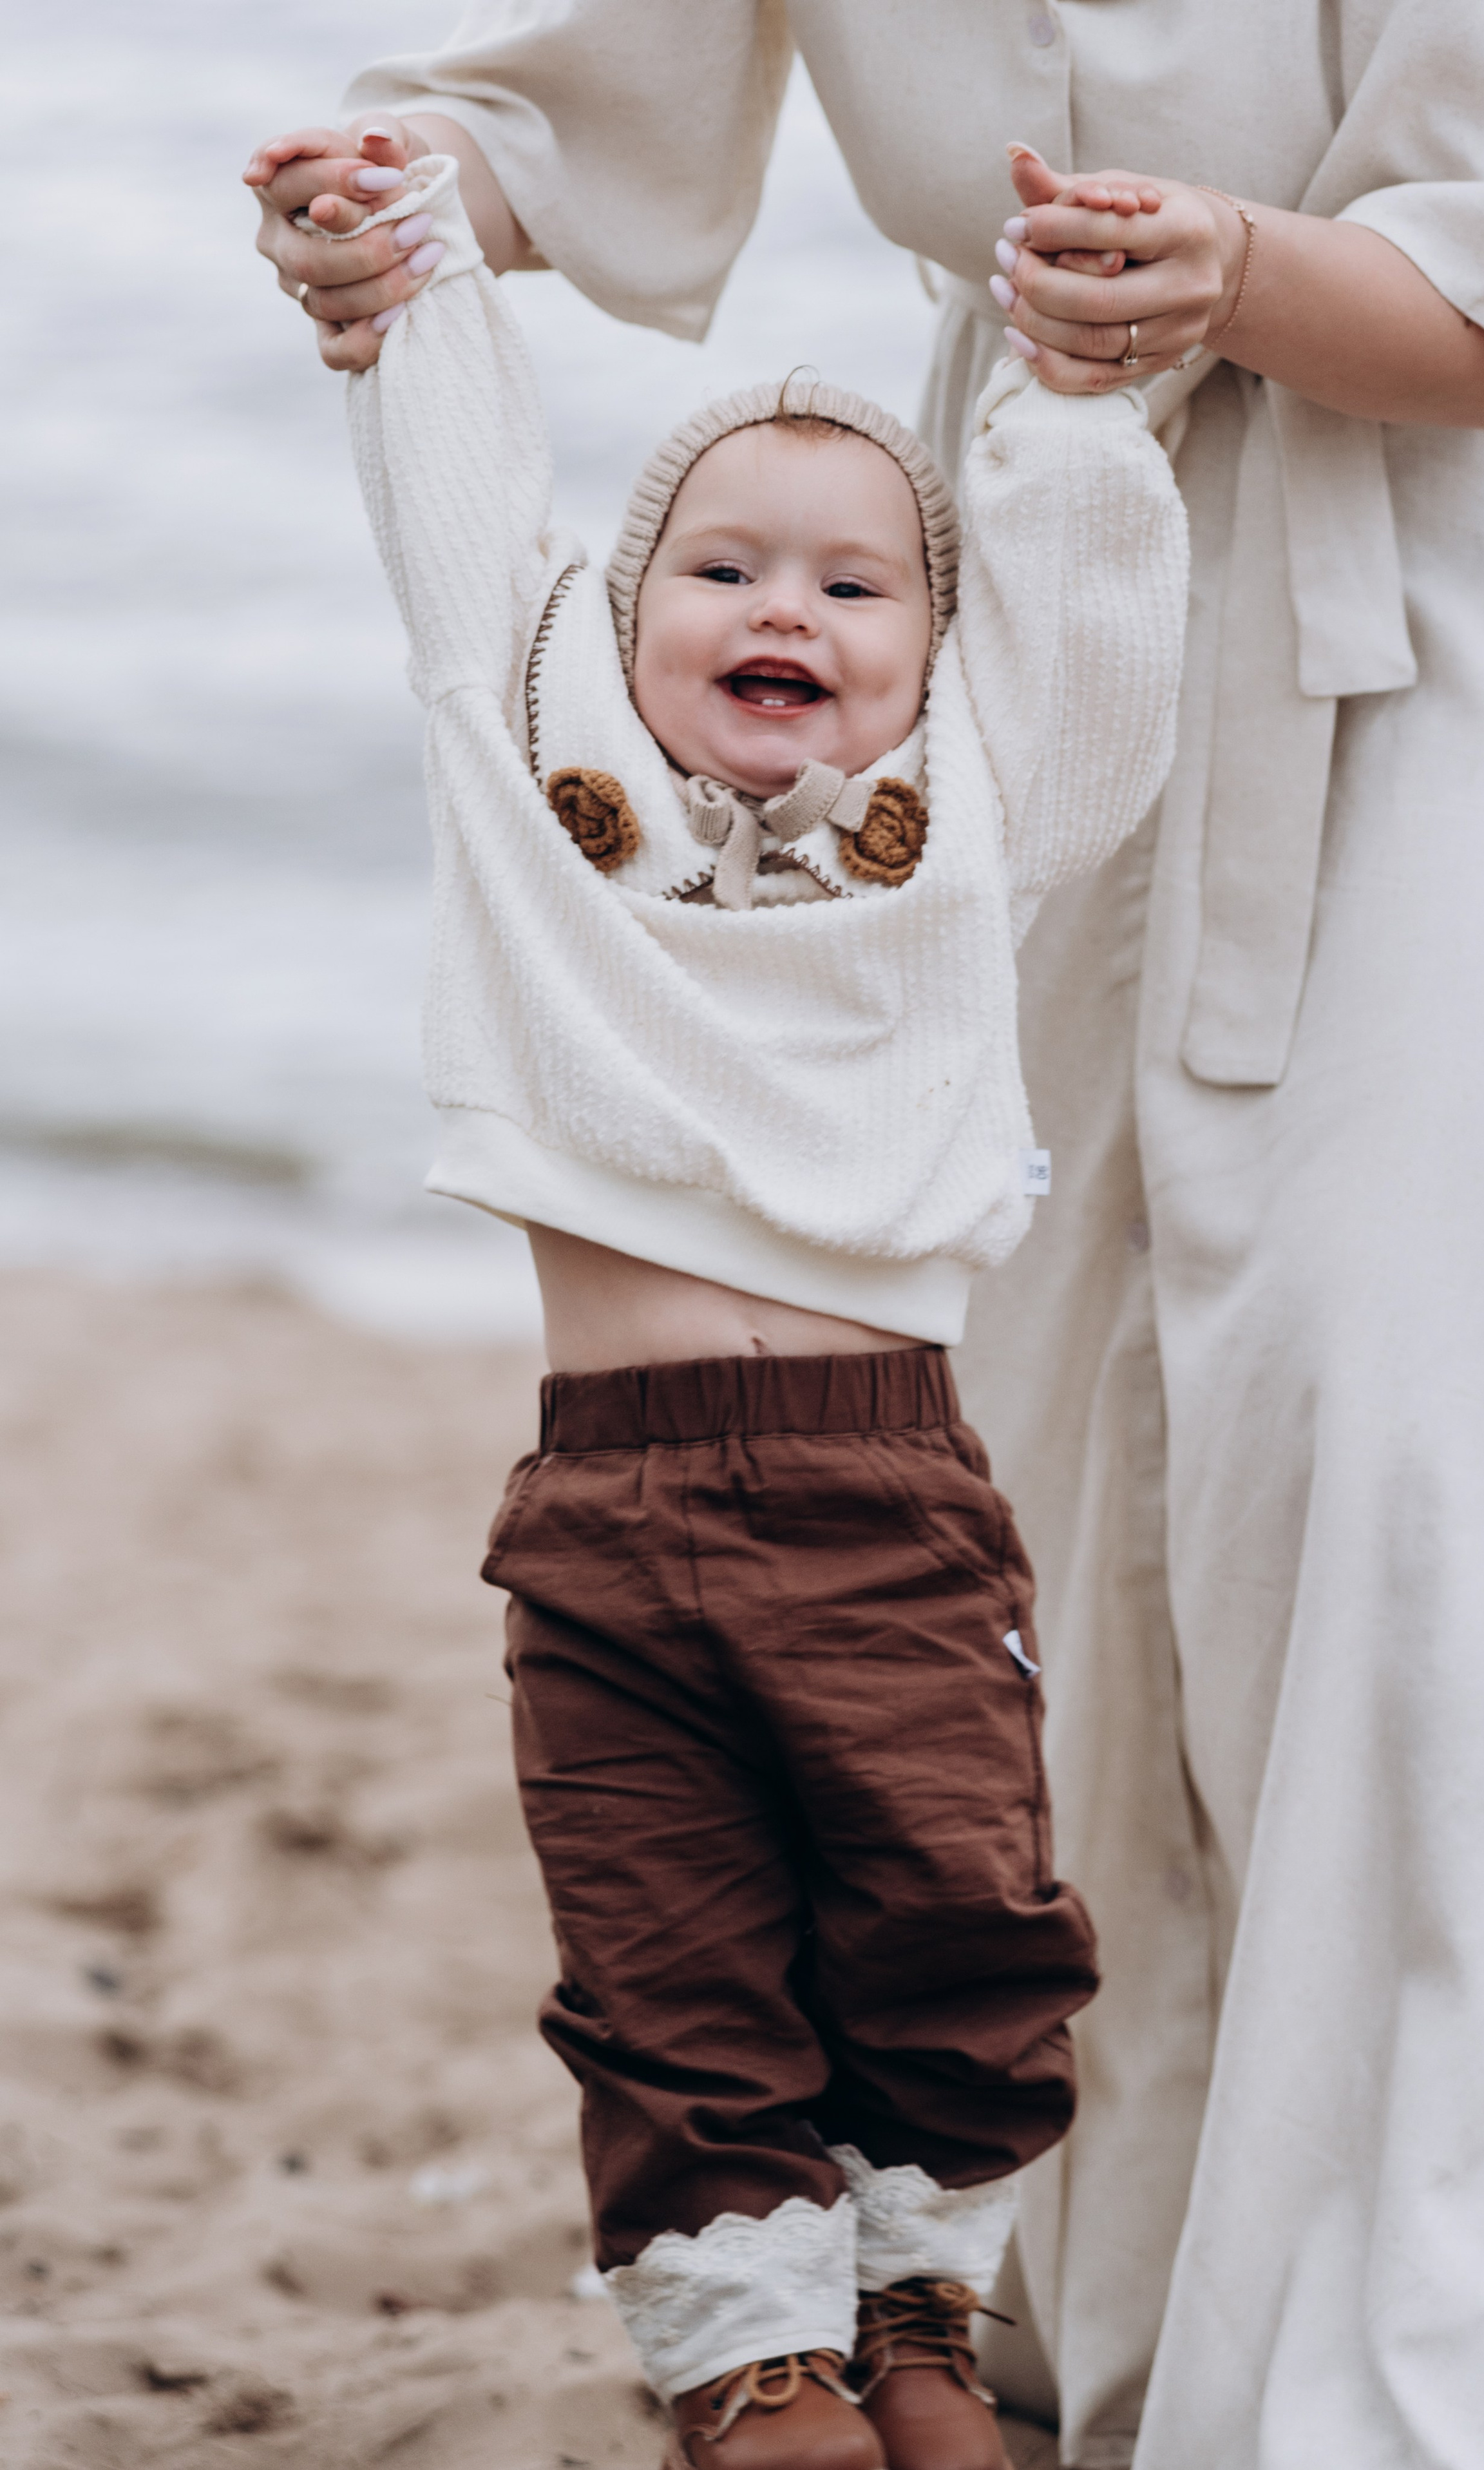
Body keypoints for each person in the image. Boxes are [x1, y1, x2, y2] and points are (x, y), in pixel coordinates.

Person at [246, 9, 1484, 2462]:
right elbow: (574, 110)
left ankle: (1433, 2368)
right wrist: (398, 202)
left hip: (1433, 603)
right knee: (1061, 1494)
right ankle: (1055, 2288)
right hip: (1002, 588)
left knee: (1402, 1474)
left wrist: (1219, 277)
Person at [287, 127, 1191, 2470]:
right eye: (721, 565)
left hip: (890, 1502)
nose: (785, 605)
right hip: (607, 1518)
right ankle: (760, 2367)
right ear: (620, 617)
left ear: (932, 653)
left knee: (956, 1936)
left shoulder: (967, 842)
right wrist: (412, 272)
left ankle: (915, 2296)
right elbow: (459, 529)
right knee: (673, 1977)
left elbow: (1094, 659)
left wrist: (1077, 408)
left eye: (858, 583)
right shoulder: (534, 801)